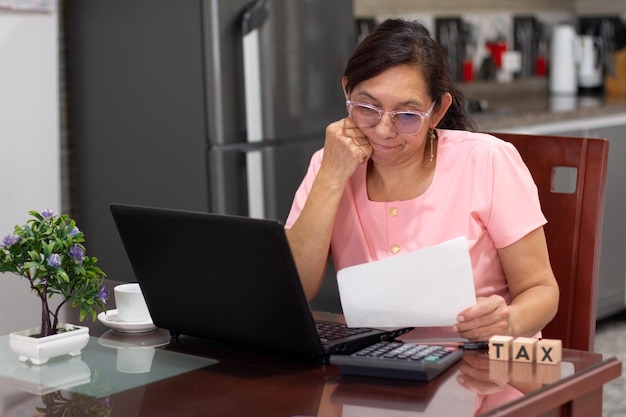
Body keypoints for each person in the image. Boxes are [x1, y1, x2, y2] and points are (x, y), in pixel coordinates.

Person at [284, 19, 559, 342]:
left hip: (479, 366)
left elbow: (541, 291)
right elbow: (294, 289)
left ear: (438, 111)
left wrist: (506, 321)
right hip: (376, 370)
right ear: (347, 91)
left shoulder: (486, 161)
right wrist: (330, 177)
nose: (384, 130)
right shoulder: (329, 163)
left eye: (407, 115)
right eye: (367, 108)